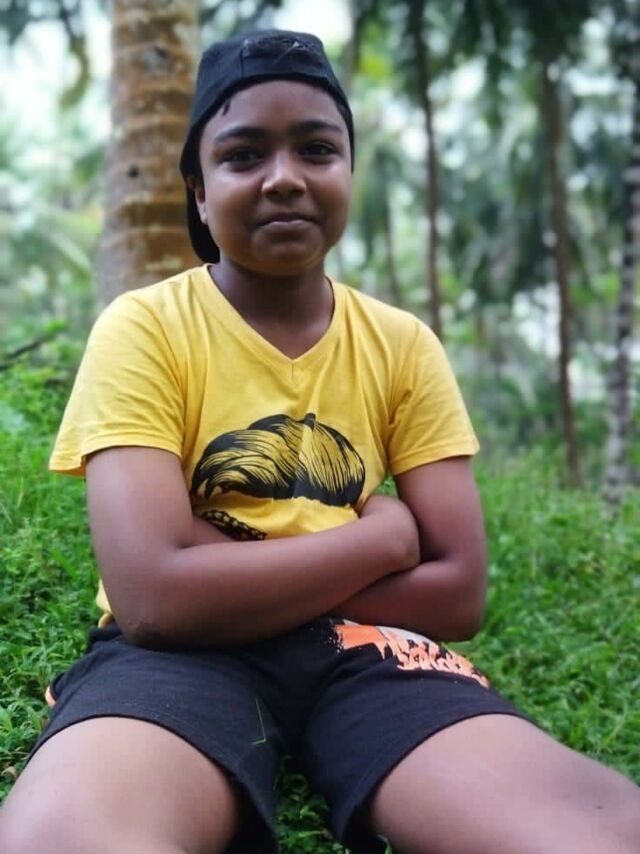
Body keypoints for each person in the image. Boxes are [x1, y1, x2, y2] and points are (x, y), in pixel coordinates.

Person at [1, 29, 638, 854]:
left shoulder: (401, 345)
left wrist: (217, 568)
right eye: (242, 155)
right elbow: (154, 601)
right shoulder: (146, 329)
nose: (284, 178)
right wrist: (383, 540)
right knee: (64, 837)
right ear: (199, 191)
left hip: (369, 655)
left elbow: (458, 592)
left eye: (316, 149)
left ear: (348, 171)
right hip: (179, 660)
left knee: (595, 834)